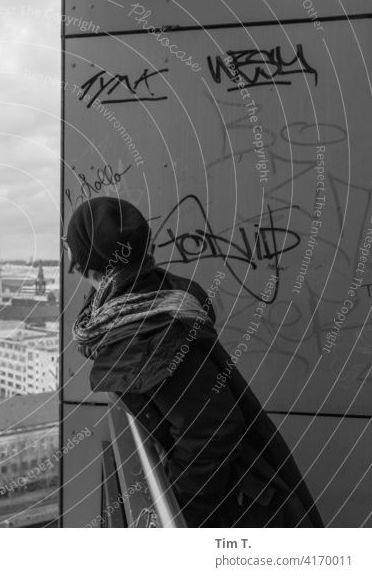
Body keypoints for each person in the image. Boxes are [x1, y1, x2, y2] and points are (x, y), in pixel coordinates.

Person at [64, 197, 323, 528]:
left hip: (234, 514)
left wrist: (182, 514)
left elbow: (211, 430)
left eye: (68, 243)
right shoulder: (148, 296)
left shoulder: (143, 335)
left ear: (85, 258)